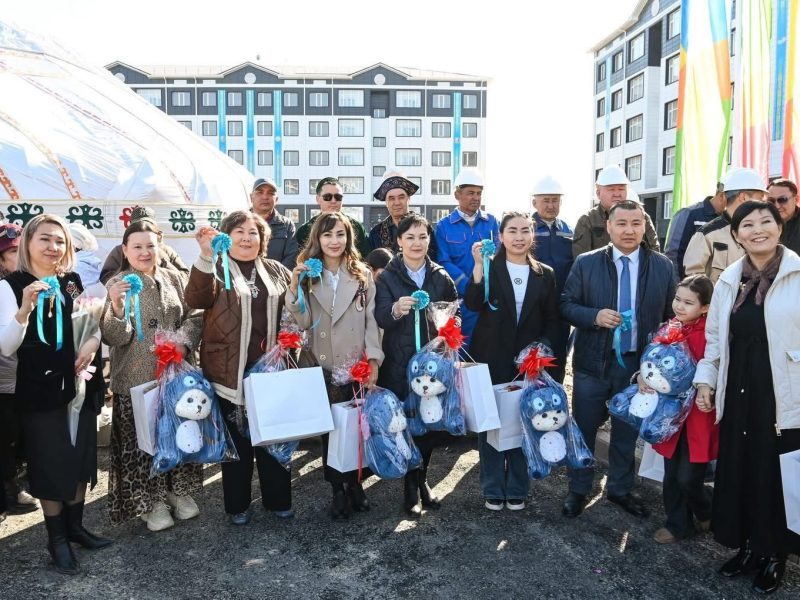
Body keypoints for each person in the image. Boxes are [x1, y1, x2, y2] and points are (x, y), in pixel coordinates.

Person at [693, 200, 800, 594]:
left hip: (782, 391)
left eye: (766, 221)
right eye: (748, 224)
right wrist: (706, 381)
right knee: (741, 468)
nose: (758, 230)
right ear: (737, 235)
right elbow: (715, 339)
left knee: (774, 473)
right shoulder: (729, 279)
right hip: (738, 386)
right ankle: (749, 547)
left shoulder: (796, 274)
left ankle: (775, 554)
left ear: (779, 227)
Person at [0, 214, 111, 575]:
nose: (53, 247)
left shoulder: (71, 281)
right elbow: (6, 345)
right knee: (50, 462)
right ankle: (57, 540)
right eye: (45, 239)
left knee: (79, 457)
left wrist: (92, 343)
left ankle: (75, 527)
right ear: (28, 242)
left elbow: (89, 320)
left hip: (81, 382)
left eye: (60, 240)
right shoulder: (12, 286)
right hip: (40, 387)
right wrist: (24, 310)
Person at [560, 200, 676, 519]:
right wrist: (594, 316)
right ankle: (578, 488)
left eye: (636, 223)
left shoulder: (662, 266)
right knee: (584, 429)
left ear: (644, 227)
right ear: (609, 227)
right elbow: (566, 305)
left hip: (638, 368)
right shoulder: (586, 263)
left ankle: (620, 488)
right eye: (621, 223)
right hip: (592, 363)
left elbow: (672, 318)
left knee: (626, 432)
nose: (629, 230)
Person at [186, 211, 294, 526]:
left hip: (270, 370)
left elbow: (295, 308)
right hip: (228, 370)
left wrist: (292, 334)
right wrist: (206, 256)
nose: (247, 238)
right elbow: (196, 298)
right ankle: (238, 505)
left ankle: (278, 500)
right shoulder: (217, 267)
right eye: (239, 231)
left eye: (253, 232)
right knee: (237, 443)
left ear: (263, 239)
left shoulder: (275, 270)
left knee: (272, 438)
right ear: (227, 236)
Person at [101, 219, 203, 532]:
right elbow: (114, 337)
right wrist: (117, 306)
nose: (145, 252)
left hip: (174, 375)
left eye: (150, 245)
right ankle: (151, 503)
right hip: (135, 378)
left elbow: (196, 315)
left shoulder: (176, 278)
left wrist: (183, 343)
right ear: (125, 250)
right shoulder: (118, 283)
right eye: (137, 247)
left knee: (177, 436)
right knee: (143, 445)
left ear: (160, 247)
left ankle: (178, 491)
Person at [286, 212, 383, 520]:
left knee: (357, 427)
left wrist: (373, 359)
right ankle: (337, 489)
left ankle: (356, 483)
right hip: (322, 363)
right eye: (327, 234)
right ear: (318, 238)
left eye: (340, 234)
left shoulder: (362, 273)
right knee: (331, 431)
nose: (334, 241)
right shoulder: (308, 272)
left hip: (356, 364)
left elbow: (372, 320)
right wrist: (294, 286)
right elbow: (302, 321)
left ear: (348, 238)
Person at [464, 212, 559, 511]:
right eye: (512, 231)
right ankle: (492, 487)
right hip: (491, 356)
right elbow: (472, 303)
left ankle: (518, 486)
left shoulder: (545, 274)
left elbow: (553, 319)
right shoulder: (490, 266)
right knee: (491, 423)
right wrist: (478, 266)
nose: (519, 237)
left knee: (523, 420)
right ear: (501, 236)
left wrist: (542, 349)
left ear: (533, 235)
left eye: (525, 230)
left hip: (528, 361)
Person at [374, 213, 458, 516]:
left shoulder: (440, 276)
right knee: (407, 424)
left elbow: (455, 309)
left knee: (430, 424)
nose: (416, 243)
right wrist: (396, 309)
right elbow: (380, 316)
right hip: (399, 362)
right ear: (399, 241)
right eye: (409, 237)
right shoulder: (388, 277)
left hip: (432, 367)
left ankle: (422, 481)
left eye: (422, 236)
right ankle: (411, 489)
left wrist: (450, 329)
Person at [645, 275, 718, 544]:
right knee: (671, 473)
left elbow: (716, 370)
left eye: (688, 302)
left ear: (705, 307)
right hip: (671, 414)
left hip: (699, 415)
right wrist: (643, 376)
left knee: (689, 477)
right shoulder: (670, 329)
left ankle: (707, 508)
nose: (679, 306)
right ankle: (678, 524)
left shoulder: (712, 336)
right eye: (677, 299)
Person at [434, 169, 499, 346]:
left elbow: (499, 255)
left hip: (490, 299)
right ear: (457, 194)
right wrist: (470, 286)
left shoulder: (492, 222)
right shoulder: (444, 226)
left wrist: (486, 287)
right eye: (470, 193)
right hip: (462, 300)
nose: (476, 197)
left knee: (489, 345)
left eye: (479, 193)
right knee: (463, 348)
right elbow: (443, 261)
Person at [0, 223, 39, 517]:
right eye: (12, 252)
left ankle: (15, 485)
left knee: (22, 435)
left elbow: (78, 303)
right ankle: (8, 492)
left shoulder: (50, 279)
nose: (19, 257)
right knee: (7, 435)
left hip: (31, 376)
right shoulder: (5, 288)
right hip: (6, 376)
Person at [683, 167, 768, 283]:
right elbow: (694, 282)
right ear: (743, 197)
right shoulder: (707, 235)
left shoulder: (762, 234)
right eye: (760, 198)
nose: (763, 204)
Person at [531, 175, 573, 382]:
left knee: (558, 352)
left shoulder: (568, 230)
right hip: (534, 304)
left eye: (555, 200)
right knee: (532, 352)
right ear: (534, 203)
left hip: (561, 303)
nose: (551, 205)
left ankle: (556, 391)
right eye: (545, 200)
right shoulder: (526, 228)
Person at [572, 165, 659, 258]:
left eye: (621, 189)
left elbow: (654, 253)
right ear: (598, 193)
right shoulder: (587, 220)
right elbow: (582, 259)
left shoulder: (642, 217)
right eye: (611, 189)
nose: (617, 194)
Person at [100, 206, 188, 283]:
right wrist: (129, 278)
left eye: (148, 225)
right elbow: (105, 277)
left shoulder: (167, 250)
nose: (143, 227)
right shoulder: (120, 251)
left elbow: (185, 277)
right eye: (138, 225)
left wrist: (162, 260)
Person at [369, 173, 438, 260]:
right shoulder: (376, 233)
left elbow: (433, 258)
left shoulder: (424, 227)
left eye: (401, 197)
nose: (397, 202)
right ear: (386, 202)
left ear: (408, 199)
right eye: (391, 198)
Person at [296, 177, 371, 257]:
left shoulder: (356, 228)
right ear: (318, 199)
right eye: (327, 197)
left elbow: (366, 259)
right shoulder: (304, 231)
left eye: (338, 197)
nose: (333, 201)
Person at [665, 183, 726, 278]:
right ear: (722, 196)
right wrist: (679, 285)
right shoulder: (688, 214)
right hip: (690, 283)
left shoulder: (730, 220)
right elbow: (674, 255)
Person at [250, 177, 299, 269]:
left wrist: (275, 276)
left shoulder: (286, 225)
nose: (265, 197)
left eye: (270, 193)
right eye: (260, 192)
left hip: (278, 277)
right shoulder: (239, 222)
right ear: (251, 197)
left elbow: (291, 258)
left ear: (276, 199)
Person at [767, 178, 800, 254]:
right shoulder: (762, 223)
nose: (777, 206)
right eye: (771, 201)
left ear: (796, 199)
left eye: (782, 199)